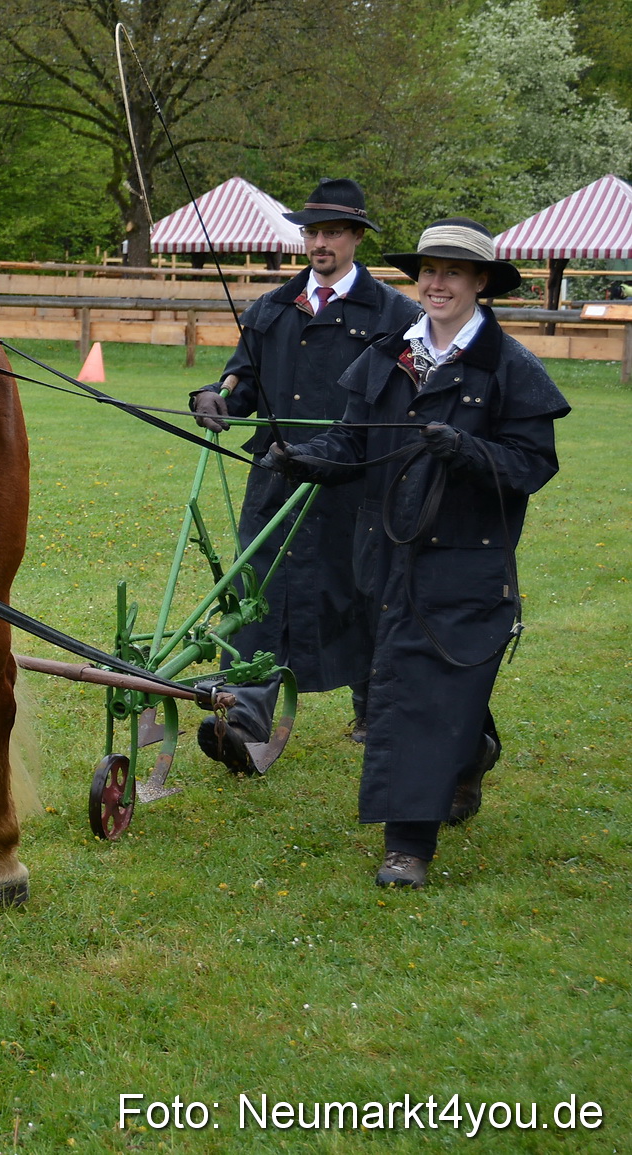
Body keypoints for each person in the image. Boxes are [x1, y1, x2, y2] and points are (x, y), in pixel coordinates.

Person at [263, 217, 569, 887]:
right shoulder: (385, 355)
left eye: (453, 272)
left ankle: (407, 846)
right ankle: (470, 750)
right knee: (416, 685)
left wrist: (469, 452)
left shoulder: (509, 367)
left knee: (420, 695)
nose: (436, 283)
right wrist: (302, 459)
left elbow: (532, 463)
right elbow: (351, 442)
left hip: (465, 561)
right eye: (428, 270)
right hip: (384, 560)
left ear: (480, 283)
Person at [188, 178, 422, 771]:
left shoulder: (398, 315)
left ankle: (376, 708)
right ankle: (243, 716)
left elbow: (411, 400)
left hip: (357, 482)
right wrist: (212, 399)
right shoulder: (270, 307)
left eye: (334, 232)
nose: (321, 243)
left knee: (360, 591)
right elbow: (238, 384)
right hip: (276, 475)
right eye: (312, 232)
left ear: (356, 238)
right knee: (258, 592)